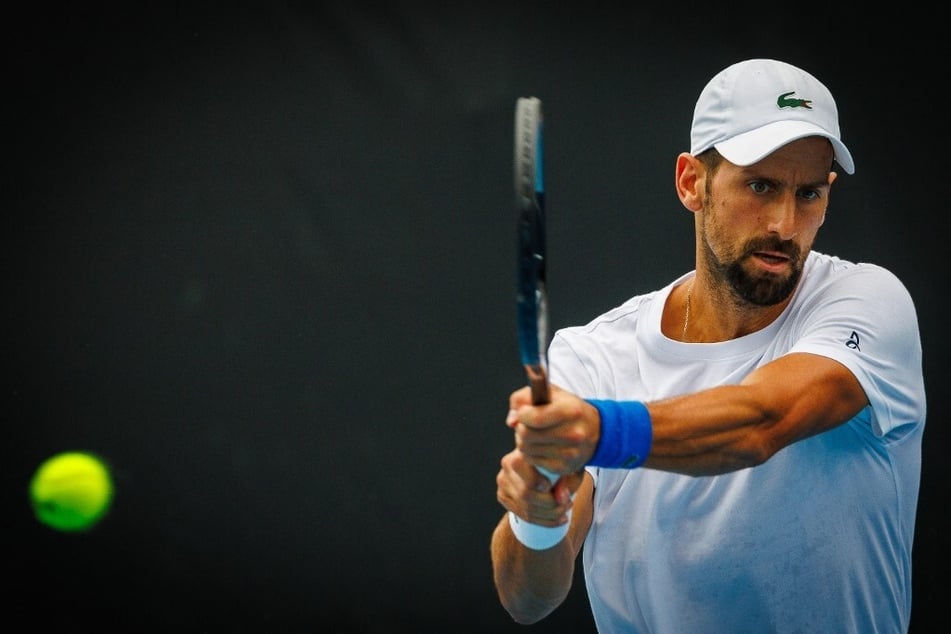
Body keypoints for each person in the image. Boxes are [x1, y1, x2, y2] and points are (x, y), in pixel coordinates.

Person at [491, 58, 926, 633]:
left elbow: (761, 420)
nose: (785, 224)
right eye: (760, 185)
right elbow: (528, 599)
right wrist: (538, 518)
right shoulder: (594, 357)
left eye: (809, 193)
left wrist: (598, 433)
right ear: (691, 182)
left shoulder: (869, 303)